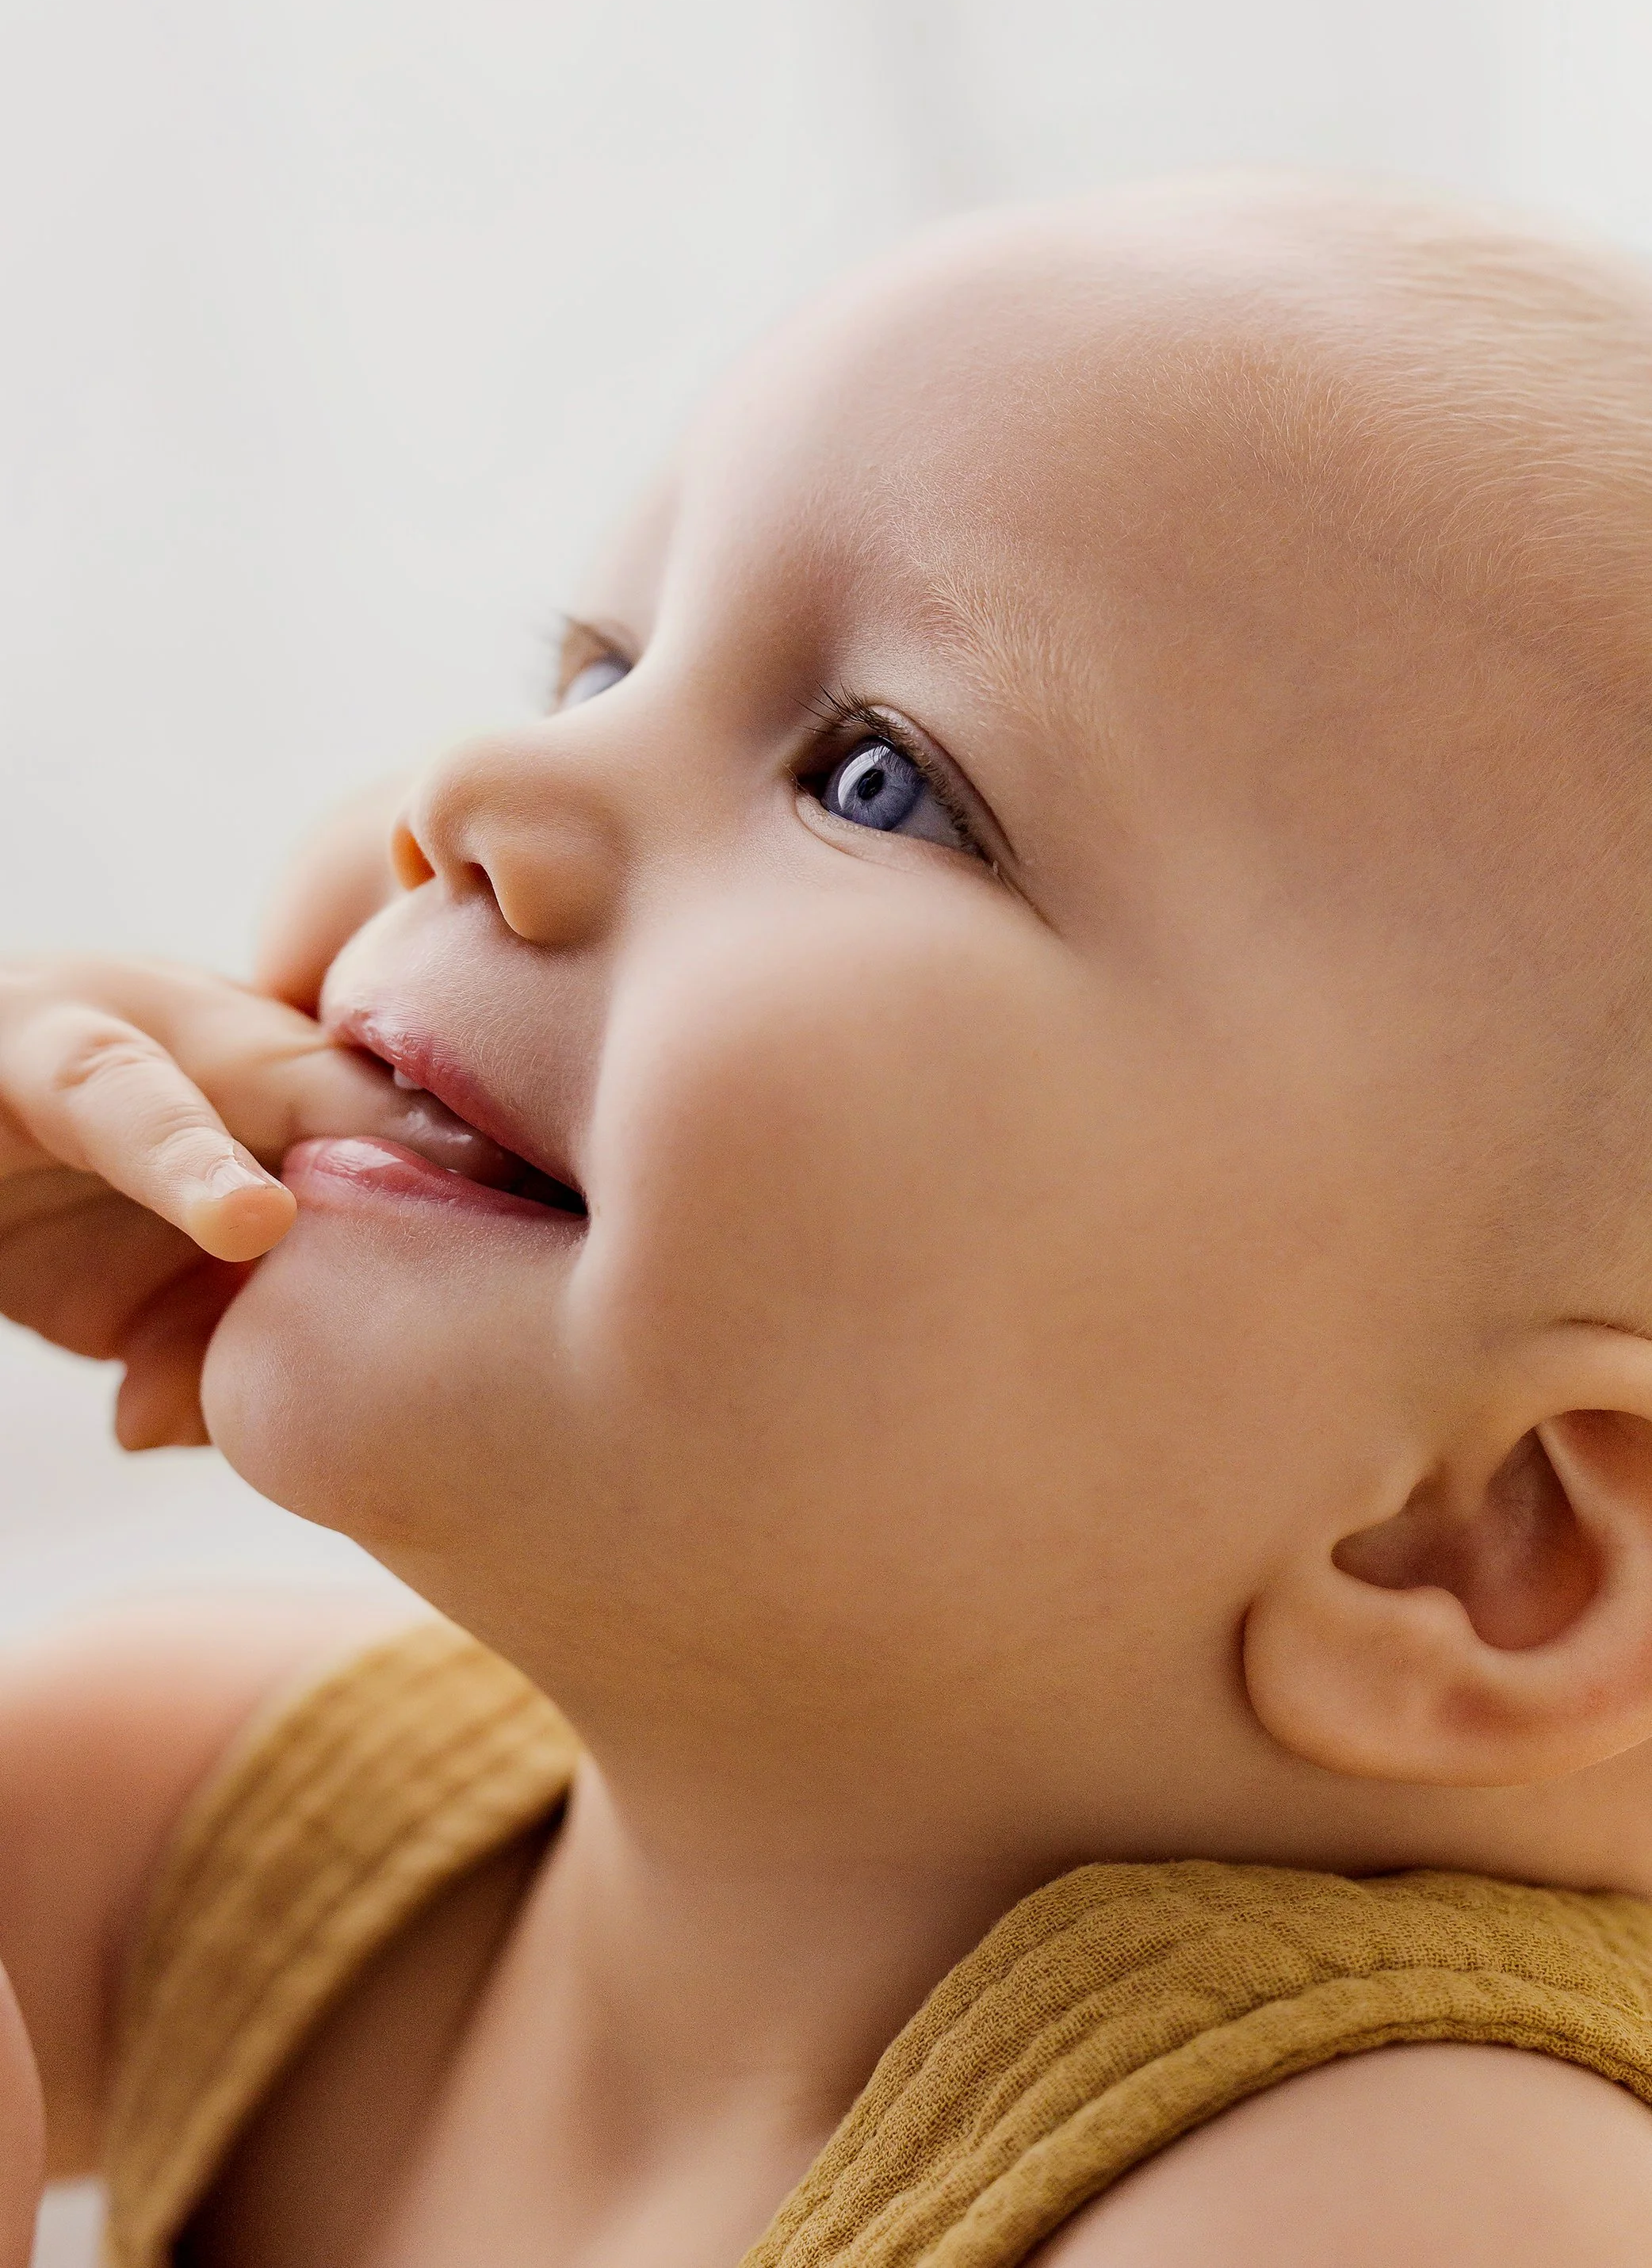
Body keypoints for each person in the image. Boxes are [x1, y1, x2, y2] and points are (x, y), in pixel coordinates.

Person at [5, 174, 1652, 2266]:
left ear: (1478, 1543)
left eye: (873, 776)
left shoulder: (1429, 2195)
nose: (483, 785)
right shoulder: (209, 1814)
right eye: (600, 661)